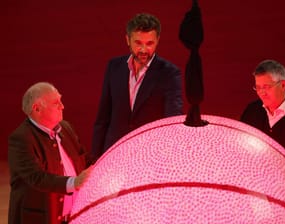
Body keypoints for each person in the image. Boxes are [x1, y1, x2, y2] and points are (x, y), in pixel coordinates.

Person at [91, 13, 183, 160]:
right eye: (138, 43)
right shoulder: (114, 67)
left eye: (149, 43)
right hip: (114, 153)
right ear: (127, 39)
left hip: (150, 155)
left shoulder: (170, 74)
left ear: (158, 40)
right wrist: (94, 159)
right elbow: (103, 118)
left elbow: (172, 121)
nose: (143, 50)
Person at [8, 82, 92, 224]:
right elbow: (36, 177)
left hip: (72, 214)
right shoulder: (21, 138)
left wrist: (108, 159)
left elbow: (82, 158)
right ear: (37, 109)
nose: (62, 106)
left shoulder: (66, 127)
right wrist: (75, 182)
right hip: (40, 218)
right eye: (56, 103)